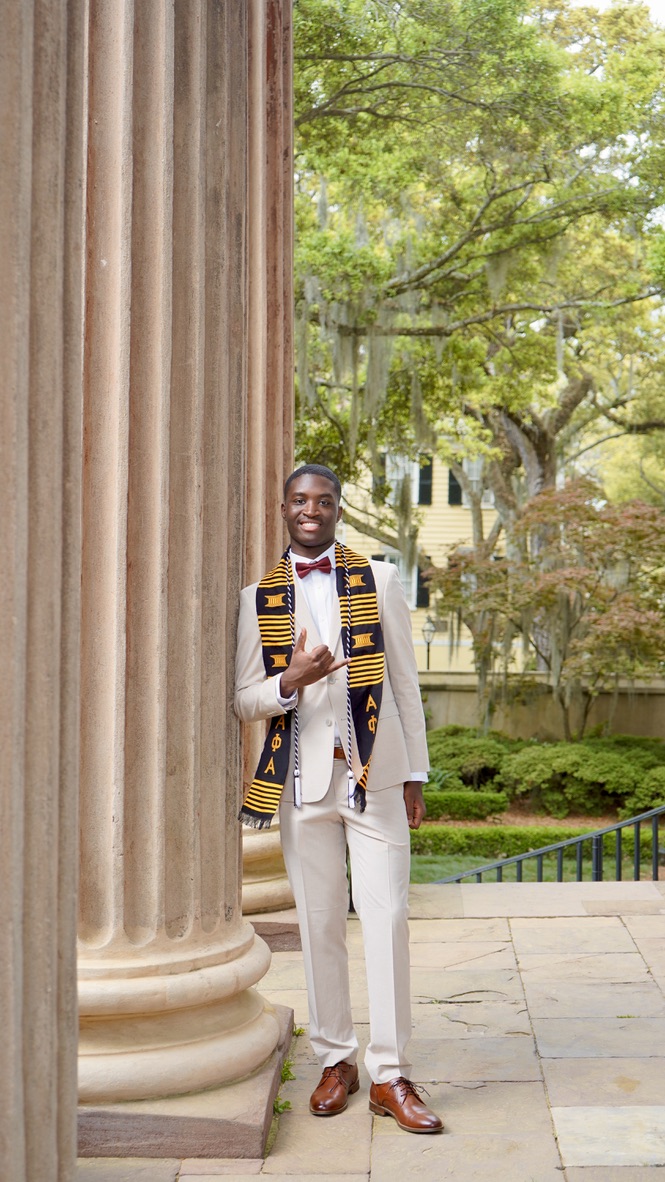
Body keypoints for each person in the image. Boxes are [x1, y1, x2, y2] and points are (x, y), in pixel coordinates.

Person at [235, 463, 442, 1134]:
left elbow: (405, 684)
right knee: (319, 924)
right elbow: (244, 700)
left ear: (337, 509)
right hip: (300, 784)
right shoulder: (257, 597)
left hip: (374, 777)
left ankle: (389, 1074)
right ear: (284, 508)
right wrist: (288, 681)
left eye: (323, 500)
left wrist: (415, 774)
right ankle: (335, 1061)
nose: (310, 509)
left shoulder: (377, 579)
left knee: (386, 922)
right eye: (299, 498)